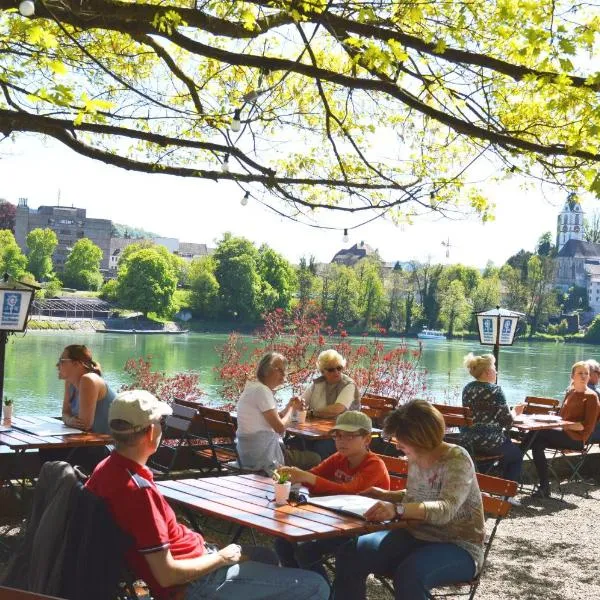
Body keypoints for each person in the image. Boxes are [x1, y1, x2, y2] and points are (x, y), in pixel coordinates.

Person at [85, 389, 329, 600]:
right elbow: (167, 575)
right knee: (315, 587)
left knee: (264, 555)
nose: (163, 428)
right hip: (197, 585)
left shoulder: (106, 468)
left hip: (198, 562)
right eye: (161, 422)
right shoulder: (137, 492)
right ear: (150, 432)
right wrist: (221, 558)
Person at [332, 400, 485, 600]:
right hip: (415, 535)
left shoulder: (456, 458)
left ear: (420, 438)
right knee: (351, 553)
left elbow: (445, 509)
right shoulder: (416, 456)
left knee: (409, 575)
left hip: (459, 546)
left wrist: (398, 509)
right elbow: (419, 497)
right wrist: (385, 495)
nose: (397, 445)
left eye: (402, 441)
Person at [274, 411, 390, 584]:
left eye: (350, 436)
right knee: (283, 541)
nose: (341, 441)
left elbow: (349, 492)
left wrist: (307, 477)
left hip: (364, 529)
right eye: (338, 435)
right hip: (335, 521)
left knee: (306, 550)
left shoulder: (374, 465)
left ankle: (323, 592)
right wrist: (293, 476)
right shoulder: (339, 458)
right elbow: (313, 476)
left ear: (367, 439)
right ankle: (302, 590)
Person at [524, 360, 599, 498]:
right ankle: (544, 487)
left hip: (577, 439)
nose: (583, 376)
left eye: (586, 373)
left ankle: (514, 458)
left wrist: (561, 425)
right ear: (572, 376)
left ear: (589, 377)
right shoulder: (570, 392)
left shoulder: (592, 397)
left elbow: (586, 426)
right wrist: (555, 422)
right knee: (537, 444)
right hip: (563, 434)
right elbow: (562, 416)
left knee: (538, 431)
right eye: (580, 373)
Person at [236, 352, 320, 473]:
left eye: (284, 370)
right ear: (266, 370)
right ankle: (296, 489)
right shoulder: (262, 391)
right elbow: (280, 427)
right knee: (315, 458)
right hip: (264, 457)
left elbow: (274, 419)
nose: (284, 374)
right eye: (279, 370)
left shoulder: (252, 388)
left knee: (296, 446)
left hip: (247, 455)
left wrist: (289, 406)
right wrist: (292, 409)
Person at [461, 352, 523, 484]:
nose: (497, 372)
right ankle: (506, 494)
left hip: (469, 441)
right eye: (495, 369)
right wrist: (516, 412)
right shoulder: (495, 390)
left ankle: (490, 484)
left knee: (504, 452)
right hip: (489, 442)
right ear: (488, 371)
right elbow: (507, 421)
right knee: (516, 455)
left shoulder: (467, 389)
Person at [292, 349, 360, 459]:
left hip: (343, 434)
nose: (336, 372)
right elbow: (301, 401)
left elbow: (338, 409)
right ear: (323, 371)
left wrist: (312, 413)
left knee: (320, 448)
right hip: (318, 432)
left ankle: (319, 474)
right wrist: (291, 407)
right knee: (294, 443)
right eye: (331, 369)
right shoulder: (318, 383)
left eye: (339, 368)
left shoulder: (348, 385)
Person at [58, 344, 115, 434]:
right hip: (88, 440)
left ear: (76, 364)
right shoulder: (70, 383)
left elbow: (85, 425)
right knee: (48, 447)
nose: (57, 365)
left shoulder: (88, 380)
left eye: (61, 361)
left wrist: (68, 420)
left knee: (51, 447)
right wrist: (70, 420)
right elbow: (65, 413)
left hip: (107, 444)